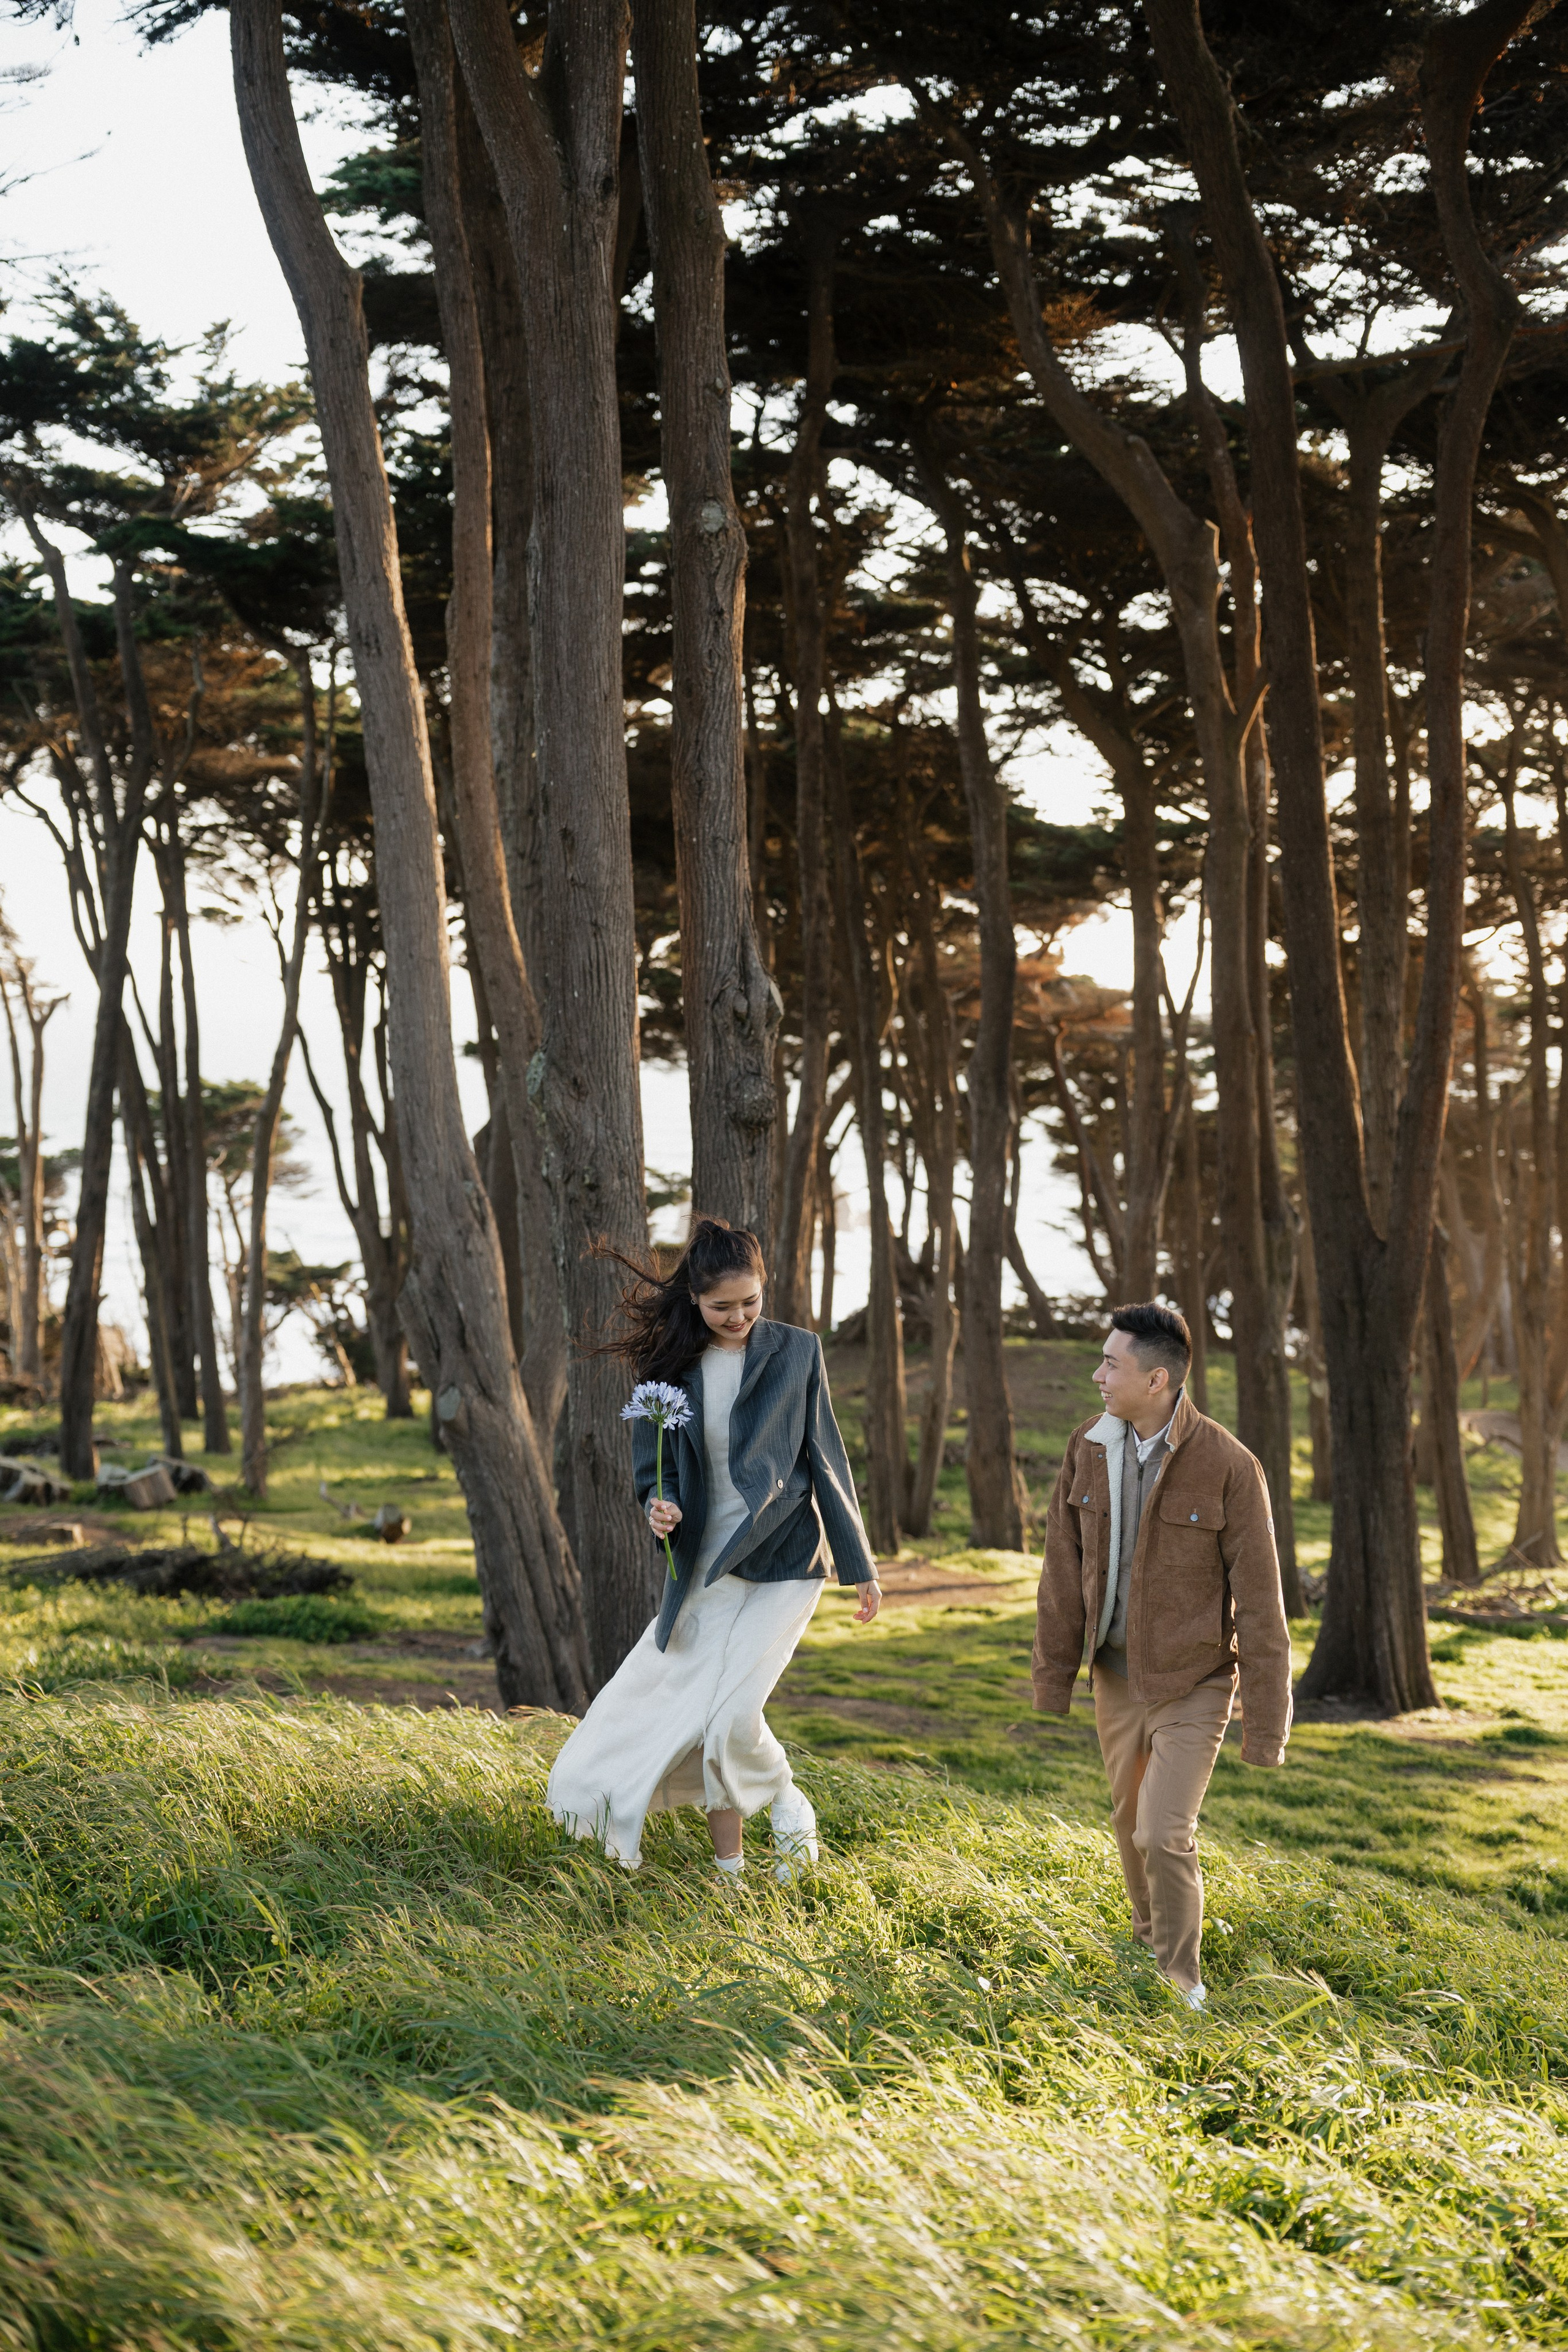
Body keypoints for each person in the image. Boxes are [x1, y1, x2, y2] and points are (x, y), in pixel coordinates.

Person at [547, 1216, 881, 1880]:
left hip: (785, 1562)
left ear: (765, 1288)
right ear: (695, 1298)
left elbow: (828, 1459)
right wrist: (659, 1506)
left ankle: (787, 1807)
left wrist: (860, 1568)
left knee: (732, 1714)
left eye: (750, 1302)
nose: (738, 1317)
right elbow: (654, 1471)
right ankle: (731, 1875)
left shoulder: (796, 1353)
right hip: (703, 1569)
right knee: (694, 1720)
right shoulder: (665, 1368)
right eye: (722, 1306)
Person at [1033, 1302, 1292, 2007]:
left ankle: (1183, 1983)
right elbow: (1062, 1567)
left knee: (1163, 1830)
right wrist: (1053, 1678)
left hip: (1195, 1681)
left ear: (1157, 1380)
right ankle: (1150, 1946)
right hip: (1114, 1676)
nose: (1097, 1375)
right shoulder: (1087, 1445)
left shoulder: (1229, 1466)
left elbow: (1262, 1604)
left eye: (1111, 1364)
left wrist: (1265, 1729)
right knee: (1127, 1825)